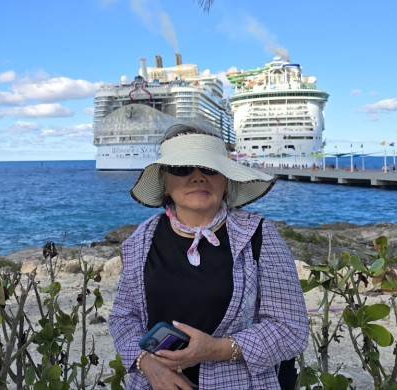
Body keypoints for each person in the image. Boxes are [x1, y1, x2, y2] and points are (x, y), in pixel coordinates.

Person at [109, 123, 308, 389]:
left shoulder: (258, 235)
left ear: (225, 180)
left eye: (210, 168)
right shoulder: (141, 240)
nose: (198, 177)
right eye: (182, 168)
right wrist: (148, 364)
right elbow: (123, 318)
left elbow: (291, 329)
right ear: (165, 183)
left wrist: (215, 349)